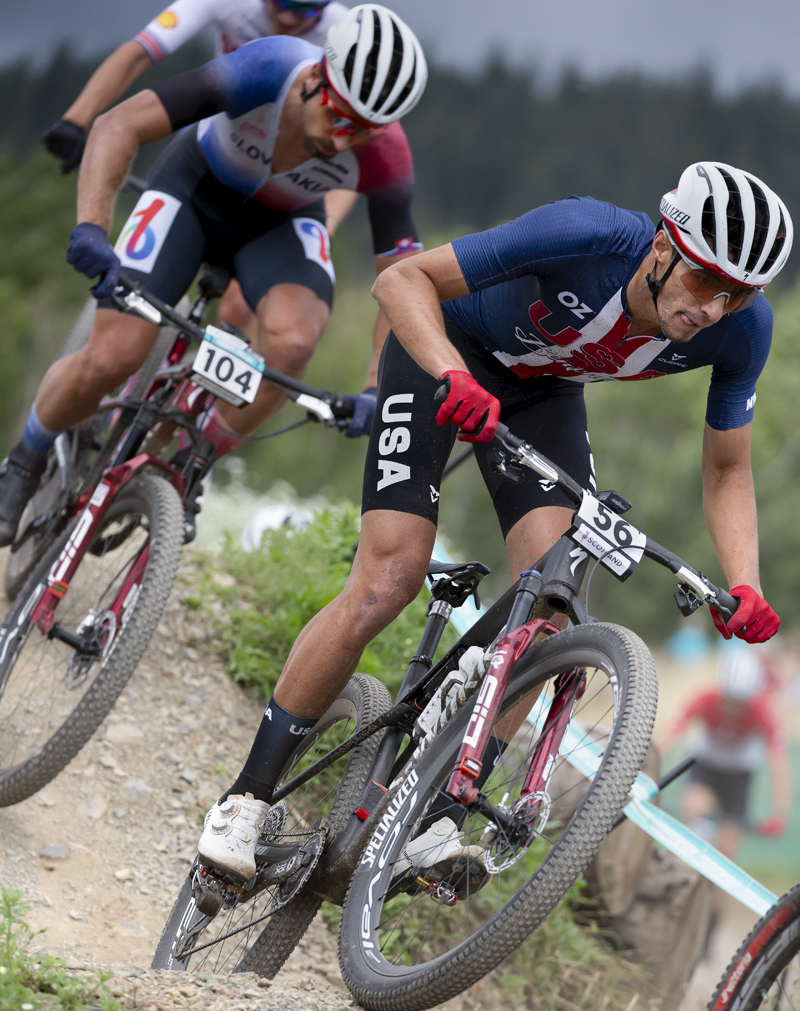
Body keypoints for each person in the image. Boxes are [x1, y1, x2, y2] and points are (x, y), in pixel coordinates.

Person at [195, 160, 794, 884]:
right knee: (389, 578)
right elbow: (401, 282)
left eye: (739, 293)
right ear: (664, 245)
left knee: (554, 605)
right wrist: (452, 374)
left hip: (543, 394)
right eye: (705, 281)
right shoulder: (584, 233)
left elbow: (728, 467)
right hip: (444, 348)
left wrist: (745, 582)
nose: (714, 308)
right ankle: (245, 801)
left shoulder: (741, 331)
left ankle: (441, 815)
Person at [0, 5, 427, 547]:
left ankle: (192, 461)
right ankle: (26, 456)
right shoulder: (266, 68)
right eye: (341, 119)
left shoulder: (388, 155)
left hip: (282, 224)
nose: (344, 142)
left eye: (363, 131)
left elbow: (402, 286)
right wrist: (91, 228)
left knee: (294, 343)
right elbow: (120, 125)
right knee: (113, 357)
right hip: (195, 191)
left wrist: (376, 387)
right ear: (319, 78)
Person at [41, 0, 356, 340]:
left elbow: (351, 158)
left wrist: (325, 229)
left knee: (244, 310)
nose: (288, 16)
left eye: (308, 11)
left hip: (285, 172)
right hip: (213, 137)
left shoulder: (342, 32)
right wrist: (77, 120)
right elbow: (140, 51)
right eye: (281, 1)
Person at [669, 650, 790, 861]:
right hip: (704, 763)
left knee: (727, 851)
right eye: (729, 700)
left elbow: (778, 761)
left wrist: (779, 813)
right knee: (697, 808)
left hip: (739, 773)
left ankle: (714, 890)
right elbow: (670, 735)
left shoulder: (762, 709)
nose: (733, 708)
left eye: (740, 702)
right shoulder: (705, 697)